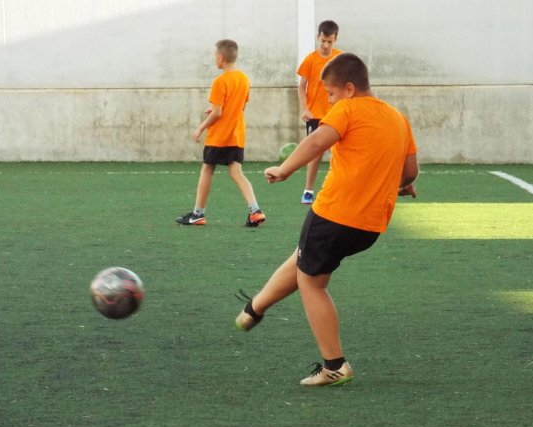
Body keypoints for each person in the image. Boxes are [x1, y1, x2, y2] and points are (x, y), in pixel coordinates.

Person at [235, 53, 419, 386]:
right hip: (370, 227)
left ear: (349, 89)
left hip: (335, 214)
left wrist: (284, 168)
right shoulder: (397, 118)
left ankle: (335, 365)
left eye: (331, 94)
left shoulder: (347, 109)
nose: (329, 101)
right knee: (304, 260)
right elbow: (409, 173)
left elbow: (318, 140)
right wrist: (399, 187)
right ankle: (254, 308)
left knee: (312, 281)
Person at [177, 39, 266, 227]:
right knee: (236, 171)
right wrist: (216, 110)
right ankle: (255, 211)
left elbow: (218, 112)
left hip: (220, 136)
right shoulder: (244, 79)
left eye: (214, 56)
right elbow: (238, 106)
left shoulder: (219, 81)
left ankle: (198, 214)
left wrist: (201, 127)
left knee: (207, 169)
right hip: (237, 134)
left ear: (221, 57)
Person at [296, 20, 342, 204]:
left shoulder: (340, 59)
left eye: (329, 41)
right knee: (315, 153)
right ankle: (308, 191)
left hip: (337, 114)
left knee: (339, 154)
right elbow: (301, 86)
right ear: (318, 37)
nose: (325, 45)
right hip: (315, 115)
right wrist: (305, 108)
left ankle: (339, 190)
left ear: (335, 40)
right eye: (322, 40)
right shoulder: (310, 59)